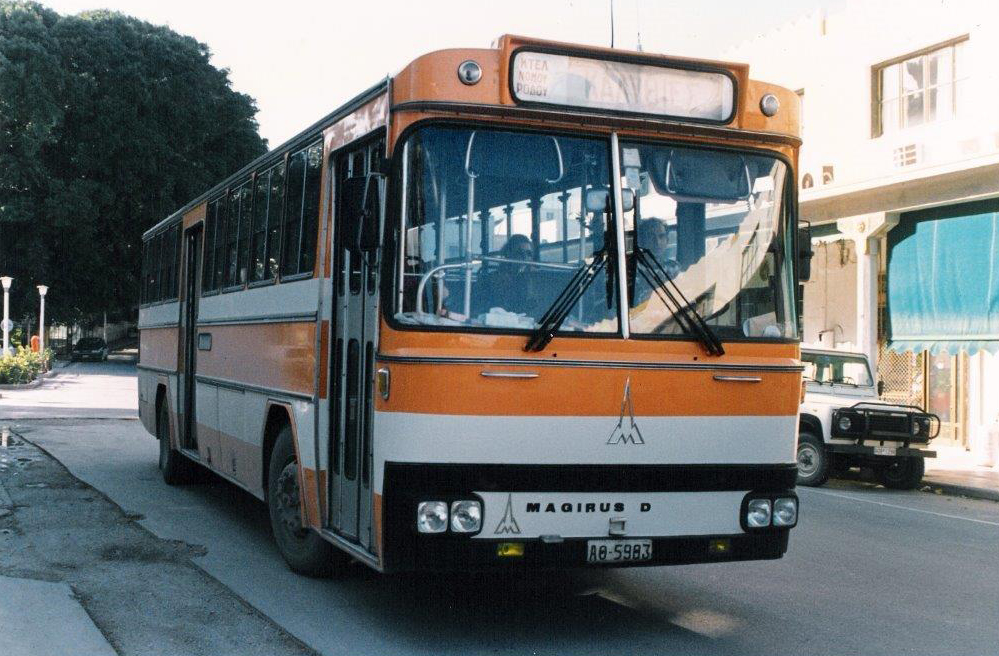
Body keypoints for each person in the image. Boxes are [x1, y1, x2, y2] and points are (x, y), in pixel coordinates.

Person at [473, 234, 545, 317]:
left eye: (528, 254)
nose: (525, 257)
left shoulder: (532, 280)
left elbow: (535, 307)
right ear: (508, 254)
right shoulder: (489, 280)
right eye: (519, 253)